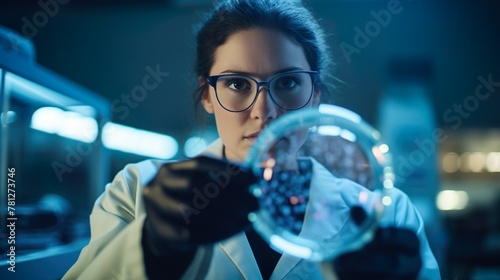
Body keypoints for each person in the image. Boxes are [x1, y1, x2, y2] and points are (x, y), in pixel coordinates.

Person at [63, 0, 441, 279]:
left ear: (316, 95)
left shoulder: (385, 212)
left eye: (288, 82)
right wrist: (152, 247)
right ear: (207, 95)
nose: (265, 111)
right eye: (237, 84)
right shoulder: (135, 191)